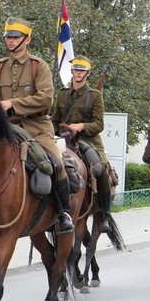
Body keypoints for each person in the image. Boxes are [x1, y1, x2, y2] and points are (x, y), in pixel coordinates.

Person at [0, 16, 73, 233]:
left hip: (36, 128)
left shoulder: (39, 66)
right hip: (6, 128)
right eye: (8, 36)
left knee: (56, 164)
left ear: (27, 39)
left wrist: (12, 104)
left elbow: (46, 99)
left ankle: (64, 214)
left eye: (15, 36)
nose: (10, 40)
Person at [52, 55, 112, 233]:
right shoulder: (62, 94)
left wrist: (81, 126)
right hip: (64, 140)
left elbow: (99, 124)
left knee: (99, 168)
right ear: (72, 71)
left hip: (88, 141)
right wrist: (57, 130)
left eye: (82, 70)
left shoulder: (95, 95)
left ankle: (105, 214)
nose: (78, 73)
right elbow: (55, 120)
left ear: (88, 73)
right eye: (76, 69)